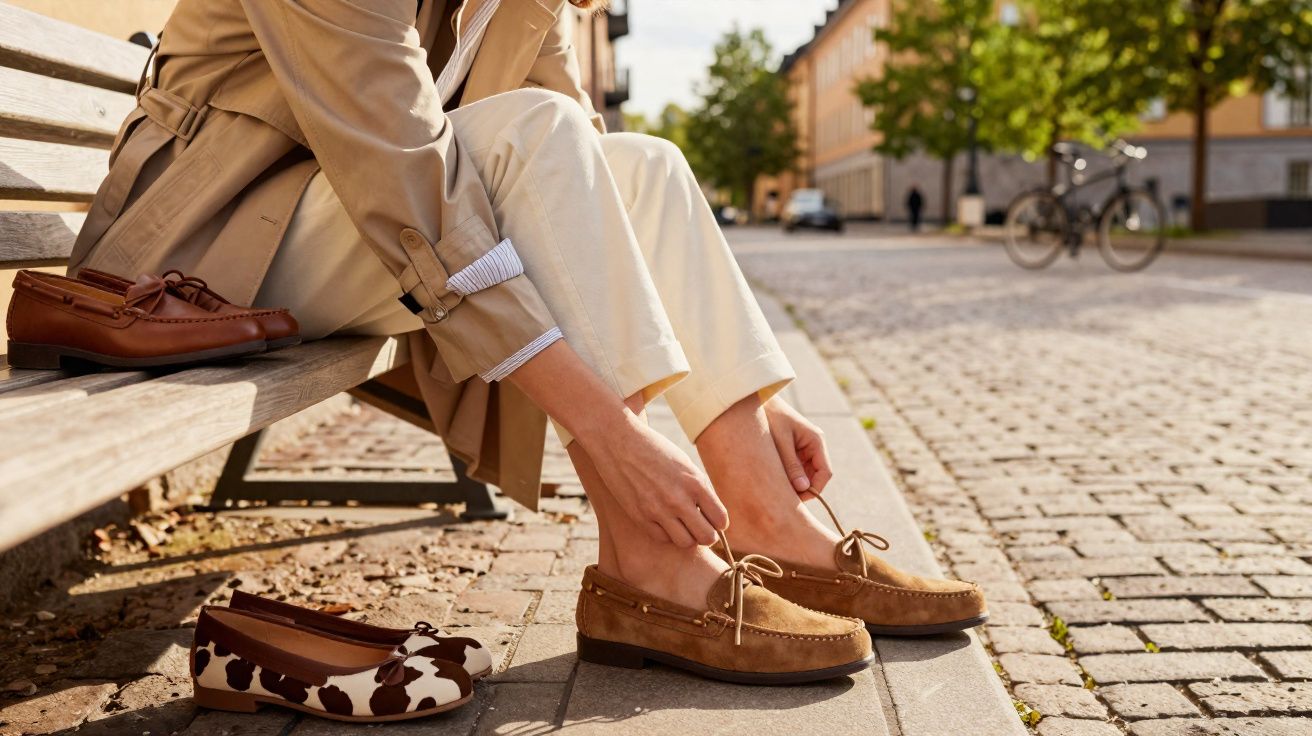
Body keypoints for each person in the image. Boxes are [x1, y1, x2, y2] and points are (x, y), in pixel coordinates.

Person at [70, 0, 985, 687]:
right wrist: (614, 437)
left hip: (342, 232)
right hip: (202, 259)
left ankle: (765, 518)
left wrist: (746, 399)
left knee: (646, 161)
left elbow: (583, 168)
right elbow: (405, 176)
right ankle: (650, 563)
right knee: (534, 135)